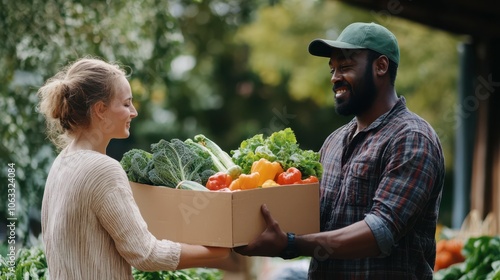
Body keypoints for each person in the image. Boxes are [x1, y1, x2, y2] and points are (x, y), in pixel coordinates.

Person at [235, 22, 445, 279]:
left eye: (345, 67)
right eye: (332, 69)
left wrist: (290, 244)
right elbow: (312, 221)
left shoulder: (411, 137)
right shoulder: (335, 141)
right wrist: (243, 222)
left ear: (381, 66)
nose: (335, 78)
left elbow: (380, 232)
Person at [38, 57, 238, 279]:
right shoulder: (102, 169)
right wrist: (218, 252)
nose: (133, 112)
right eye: (126, 104)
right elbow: (145, 254)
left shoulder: (62, 162)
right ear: (101, 110)